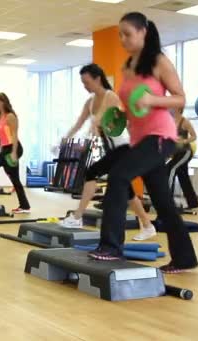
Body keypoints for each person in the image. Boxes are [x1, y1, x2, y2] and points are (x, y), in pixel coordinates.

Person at [88, 12, 198, 274]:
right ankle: (185, 258)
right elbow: (130, 106)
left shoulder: (159, 62)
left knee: (118, 176)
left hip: (160, 137)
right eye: (120, 35)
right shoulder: (128, 66)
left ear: (143, 32)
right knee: (162, 202)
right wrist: (115, 117)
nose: (123, 39)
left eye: (127, 34)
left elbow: (180, 99)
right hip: (140, 139)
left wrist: (153, 101)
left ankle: (111, 247)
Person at [60, 63, 157, 241]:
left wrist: (93, 132)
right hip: (112, 149)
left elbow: (101, 122)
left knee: (92, 172)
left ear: (98, 79)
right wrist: (66, 138)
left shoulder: (110, 96)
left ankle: (77, 216)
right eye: (82, 83)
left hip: (124, 147)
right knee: (126, 189)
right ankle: (148, 225)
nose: (85, 86)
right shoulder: (90, 102)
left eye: (87, 82)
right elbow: (79, 123)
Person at [167, 107, 198, 210]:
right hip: (176, 153)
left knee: (170, 169)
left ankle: (168, 201)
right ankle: (193, 203)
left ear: (178, 109)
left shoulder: (185, 122)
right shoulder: (170, 121)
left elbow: (194, 136)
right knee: (183, 176)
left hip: (185, 152)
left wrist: (184, 141)